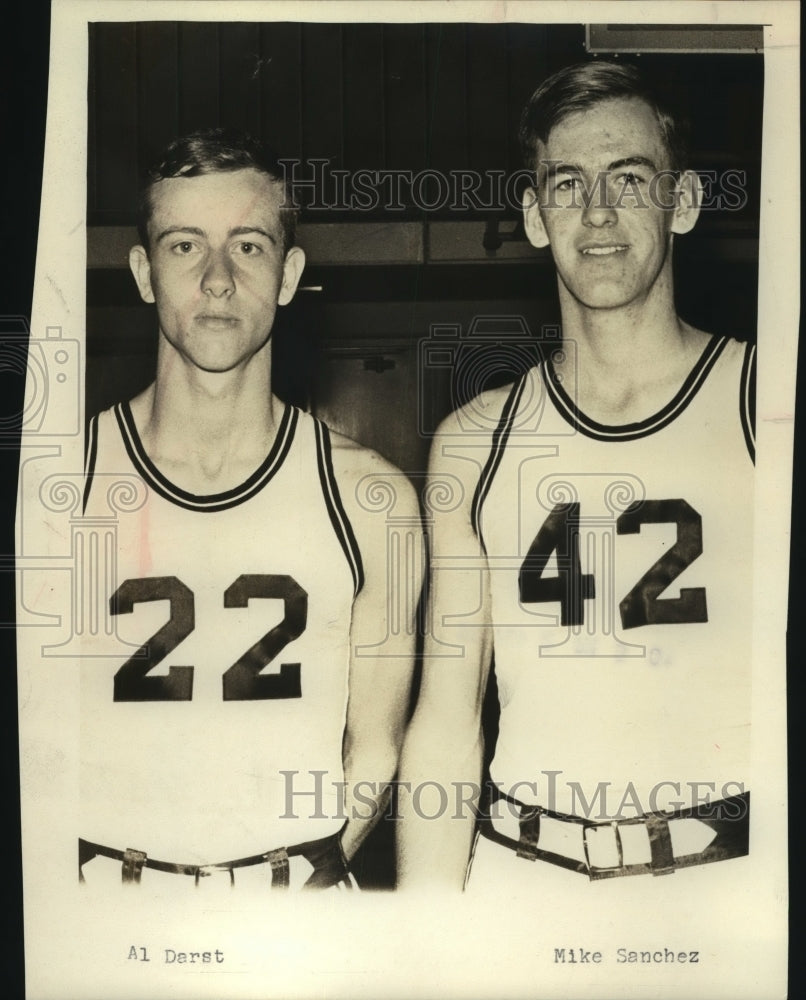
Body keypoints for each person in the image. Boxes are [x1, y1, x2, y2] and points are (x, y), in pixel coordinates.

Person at [398, 61, 755, 890]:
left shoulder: (760, 405)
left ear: (686, 201)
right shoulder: (473, 443)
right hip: (524, 881)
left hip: (720, 882)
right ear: (533, 215)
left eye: (630, 179)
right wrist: (420, 940)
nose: (598, 211)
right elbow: (447, 724)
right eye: (568, 183)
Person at [79, 128, 422, 890]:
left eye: (249, 247)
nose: (218, 279)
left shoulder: (374, 503)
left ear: (291, 273)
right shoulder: (54, 484)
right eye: (183, 247)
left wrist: (297, 879)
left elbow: (376, 751)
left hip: (293, 909)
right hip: (103, 907)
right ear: (142, 272)